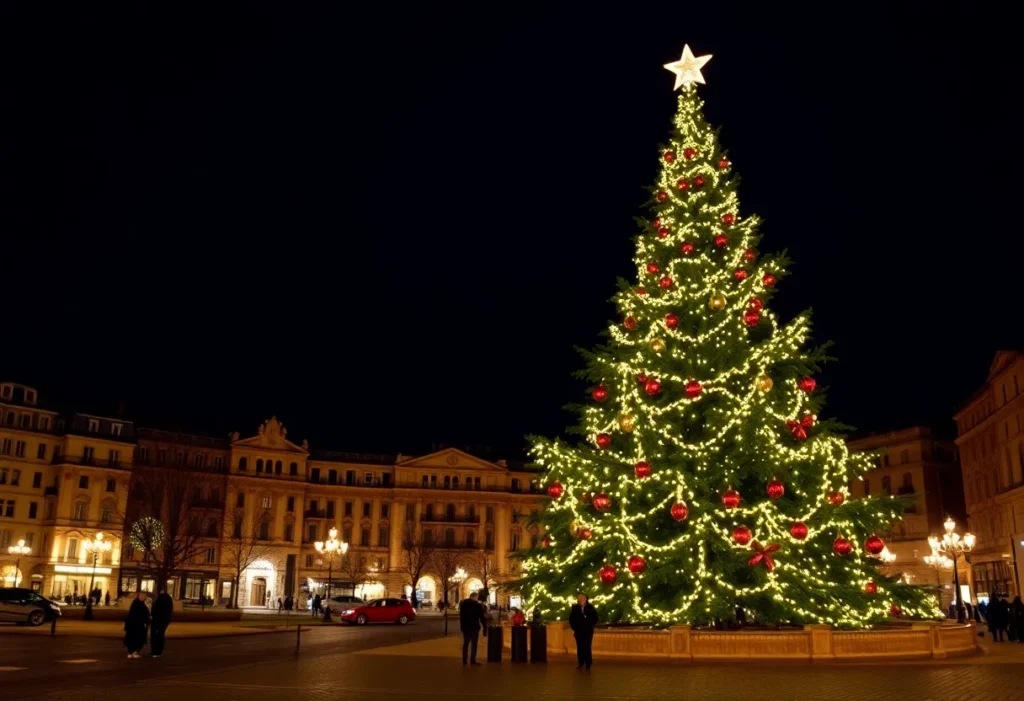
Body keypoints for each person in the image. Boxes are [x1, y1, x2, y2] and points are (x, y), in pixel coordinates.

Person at [569, 593, 599, 671]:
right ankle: (581, 662)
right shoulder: (575, 608)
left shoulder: (590, 608)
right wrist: (574, 628)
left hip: (587, 631)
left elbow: (595, 618)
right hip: (578, 631)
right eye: (579, 598)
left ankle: (588, 664)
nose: (581, 599)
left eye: (582, 598)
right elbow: (571, 619)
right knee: (580, 647)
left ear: (586, 599)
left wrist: (589, 625)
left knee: (587, 647)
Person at [458, 591, 488, 665]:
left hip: (465, 627)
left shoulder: (463, 604)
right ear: (475, 597)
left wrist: (462, 626)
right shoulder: (477, 605)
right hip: (474, 627)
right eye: (477, 597)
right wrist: (484, 627)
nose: (477, 599)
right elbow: (482, 617)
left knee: (466, 643)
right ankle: (472, 660)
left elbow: (461, 617)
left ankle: (464, 660)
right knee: (474, 644)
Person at [123, 591, 150, 659]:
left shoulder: (138, 603)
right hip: (137, 625)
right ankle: (133, 652)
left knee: (133, 638)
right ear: (140, 596)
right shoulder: (138, 604)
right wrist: (145, 621)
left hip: (134, 625)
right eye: (144, 596)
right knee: (136, 638)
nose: (145, 597)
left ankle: (131, 652)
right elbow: (141, 614)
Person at [150, 588, 173, 658]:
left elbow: (159, 609)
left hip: (160, 620)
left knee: (157, 635)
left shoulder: (163, 598)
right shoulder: (165, 598)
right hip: (160, 620)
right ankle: (156, 651)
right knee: (158, 635)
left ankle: (157, 651)